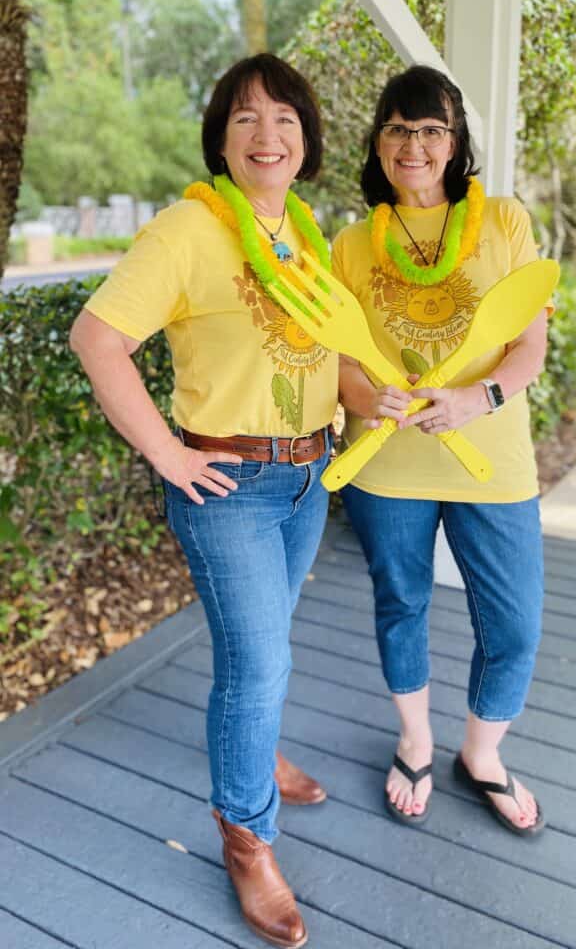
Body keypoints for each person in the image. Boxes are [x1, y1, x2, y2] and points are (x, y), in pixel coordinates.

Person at [70, 53, 339, 948]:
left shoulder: (308, 233)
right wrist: (167, 454)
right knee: (256, 665)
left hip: (308, 476)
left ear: (306, 141)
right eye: (246, 120)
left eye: (285, 120)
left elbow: (330, 355)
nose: (268, 136)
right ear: (221, 140)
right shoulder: (186, 229)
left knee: (271, 643)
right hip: (228, 486)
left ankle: (255, 754)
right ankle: (246, 838)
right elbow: (97, 338)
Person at [333, 65, 551, 836]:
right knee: (402, 601)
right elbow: (341, 360)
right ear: (378, 143)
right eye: (398, 128)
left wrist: (475, 398)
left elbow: (530, 344)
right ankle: (415, 740)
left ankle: (482, 754)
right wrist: (367, 399)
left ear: (455, 143)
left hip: (491, 458)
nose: (414, 144)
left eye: (431, 129)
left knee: (515, 619)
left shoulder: (505, 223)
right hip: (387, 462)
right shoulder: (352, 244)